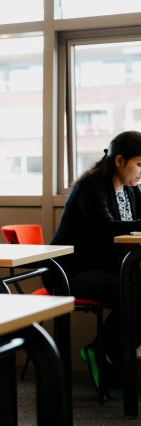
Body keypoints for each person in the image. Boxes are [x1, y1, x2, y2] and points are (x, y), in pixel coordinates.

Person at [51, 130, 141, 397]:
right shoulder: (91, 188)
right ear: (119, 161)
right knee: (135, 295)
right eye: (139, 164)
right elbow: (107, 230)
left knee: (137, 294)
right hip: (70, 271)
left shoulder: (130, 191)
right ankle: (105, 353)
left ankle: (106, 353)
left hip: (105, 268)